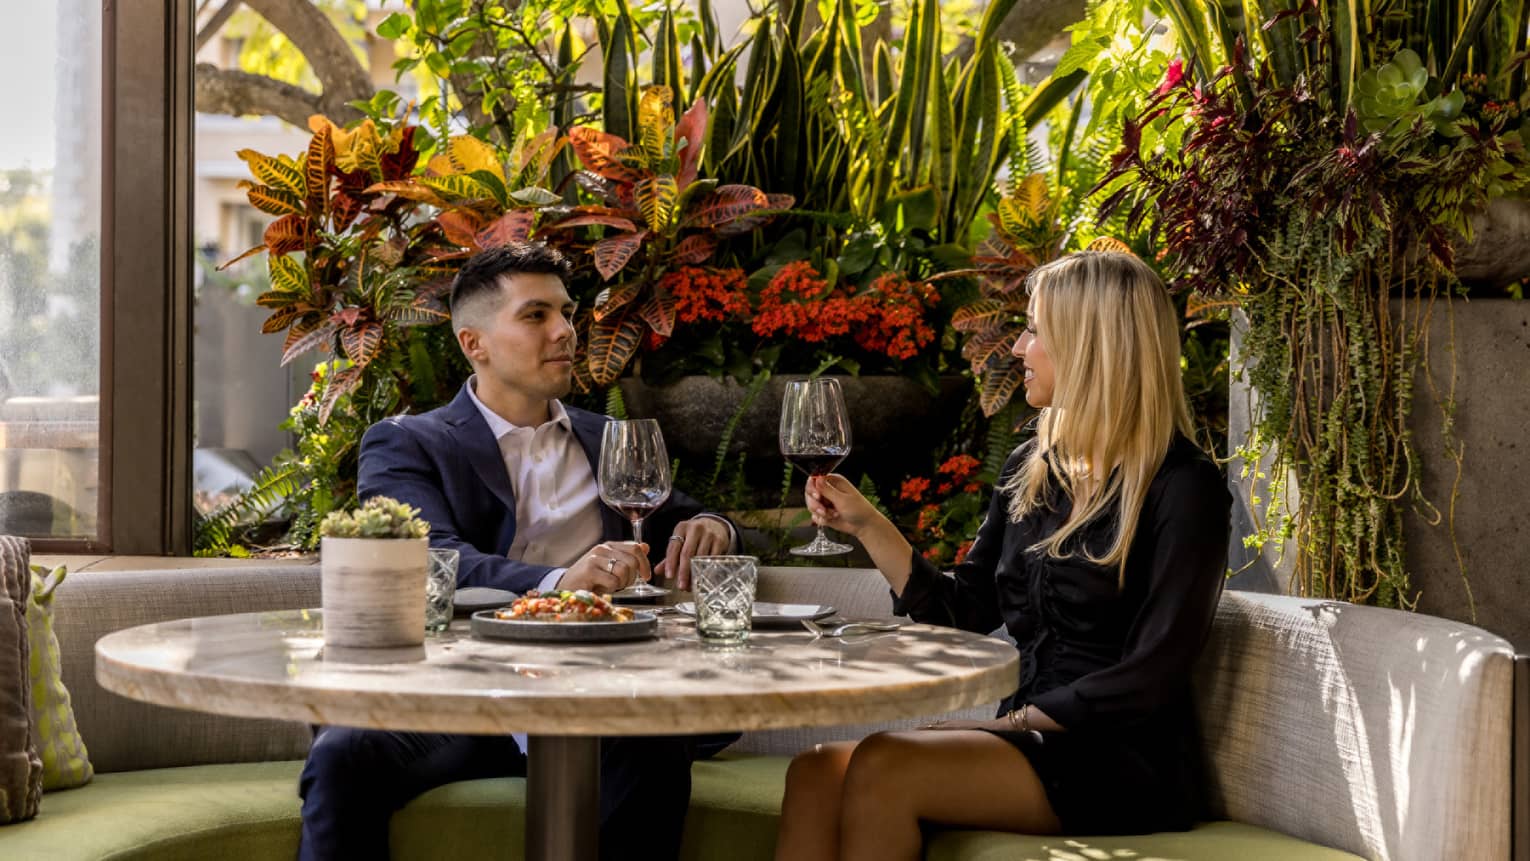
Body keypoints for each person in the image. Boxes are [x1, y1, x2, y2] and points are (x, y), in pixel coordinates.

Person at [774, 250, 1233, 861]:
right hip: (1023, 738)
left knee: (885, 764)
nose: (1017, 347)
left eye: (1037, 329)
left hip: (1119, 757)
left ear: (1090, 346)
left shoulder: (1184, 487)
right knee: (813, 770)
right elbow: (961, 610)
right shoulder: (1033, 470)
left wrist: (1011, 724)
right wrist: (868, 524)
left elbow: (1153, 671)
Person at [297, 243, 739, 861]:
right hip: (461, 693)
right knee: (344, 753)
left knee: (654, 739)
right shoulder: (408, 443)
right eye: (536, 315)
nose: (565, 331)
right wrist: (560, 581)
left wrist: (713, 524)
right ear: (474, 343)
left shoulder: (607, 437)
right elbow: (433, 557)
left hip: (599, 696)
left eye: (566, 311)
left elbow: (679, 514)